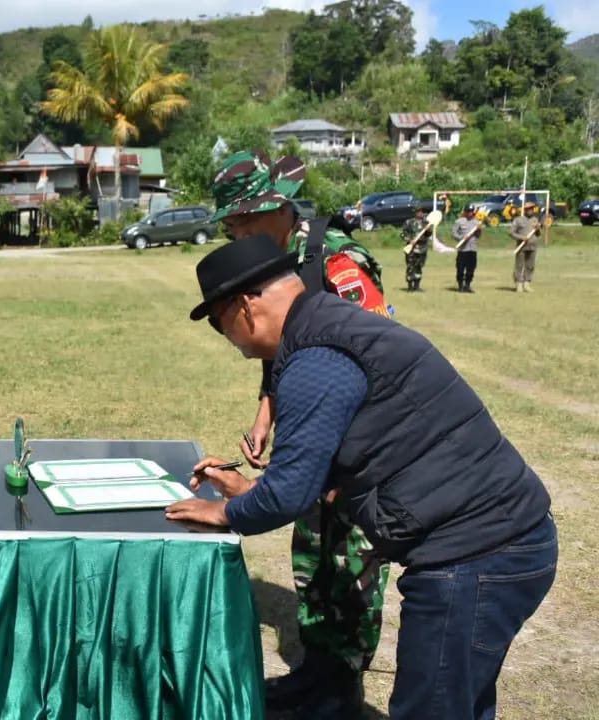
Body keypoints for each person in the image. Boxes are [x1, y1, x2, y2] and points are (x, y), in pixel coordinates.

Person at [169, 235, 557, 720]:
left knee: (432, 709)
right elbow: (318, 472)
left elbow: (289, 493)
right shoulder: (329, 325)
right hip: (499, 541)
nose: (228, 341)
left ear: (245, 306)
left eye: (218, 324)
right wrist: (250, 490)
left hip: (477, 555)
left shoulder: (317, 356)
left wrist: (225, 511)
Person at [208, 149, 389, 718]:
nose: (236, 232)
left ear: (279, 207)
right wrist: (267, 411)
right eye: (230, 224)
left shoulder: (337, 263)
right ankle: (316, 674)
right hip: (312, 435)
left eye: (243, 220)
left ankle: (343, 688)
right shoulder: (275, 259)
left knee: (351, 563)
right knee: (313, 552)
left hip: (356, 444)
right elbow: (284, 347)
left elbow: (373, 351)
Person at [510, 202, 541, 292]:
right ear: (525, 210)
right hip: (522, 246)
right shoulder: (518, 220)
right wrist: (521, 237)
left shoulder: (535, 219)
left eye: (532, 208)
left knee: (530, 265)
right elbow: (511, 233)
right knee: (519, 265)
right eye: (528, 209)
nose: (530, 210)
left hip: (532, 246)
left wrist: (538, 229)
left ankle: (527, 283)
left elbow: (538, 234)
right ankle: (518, 284)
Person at [400, 206, 432, 292]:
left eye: (421, 211)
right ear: (415, 213)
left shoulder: (426, 223)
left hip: (422, 248)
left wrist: (427, 229)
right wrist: (409, 240)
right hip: (411, 248)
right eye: (418, 212)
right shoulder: (409, 222)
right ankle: (410, 286)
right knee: (410, 267)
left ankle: (417, 286)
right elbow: (402, 234)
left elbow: (429, 234)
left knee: (419, 266)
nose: (420, 213)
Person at [452, 204, 482, 293]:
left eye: (471, 212)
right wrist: (461, 238)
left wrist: (479, 230)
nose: (470, 213)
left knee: (471, 268)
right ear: (465, 212)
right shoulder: (459, 222)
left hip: (472, 249)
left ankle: (467, 285)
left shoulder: (476, 222)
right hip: (462, 249)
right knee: (460, 268)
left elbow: (478, 236)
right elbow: (453, 234)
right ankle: (460, 285)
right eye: (468, 211)